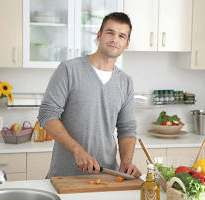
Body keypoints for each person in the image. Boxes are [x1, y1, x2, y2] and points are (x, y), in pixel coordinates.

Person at [38, 12, 141, 179]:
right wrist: (77, 150)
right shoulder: (69, 70)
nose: (115, 39)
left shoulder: (126, 82)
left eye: (121, 36)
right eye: (110, 32)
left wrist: (126, 162)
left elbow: (127, 129)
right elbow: (47, 115)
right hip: (65, 177)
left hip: (107, 175)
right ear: (99, 35)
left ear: (127, 43)